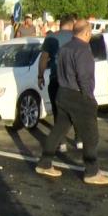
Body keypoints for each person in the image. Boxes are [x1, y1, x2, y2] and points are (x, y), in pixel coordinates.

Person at [36, 20, 108, 185]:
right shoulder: (83, 49)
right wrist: (89, 98)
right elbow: (84, 77)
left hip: (63, 93)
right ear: (86, 32)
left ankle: (44, 163)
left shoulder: (65, 48)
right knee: (91, 135)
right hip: (78, 95)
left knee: (58, 131)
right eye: (90, 31)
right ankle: (92, 172)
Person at [37, 14, 81, 152]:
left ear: (60, 24)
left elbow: (44, 58)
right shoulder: (77, 37)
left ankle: (61, 143)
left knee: (58, 112)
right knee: (75, 111)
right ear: (71, 24)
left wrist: (40, 76)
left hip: (56, 79)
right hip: (74, 81)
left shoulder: (51, 38)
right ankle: (79, 139)